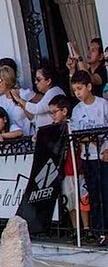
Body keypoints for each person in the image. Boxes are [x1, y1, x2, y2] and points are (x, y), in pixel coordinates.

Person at [69, 70, 108, 246]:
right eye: (75, 90)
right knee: (94, 194)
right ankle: (100, 230)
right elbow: (77, 134)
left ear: (89, 87)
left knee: (105, 192)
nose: (77, 93)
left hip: (104, 156)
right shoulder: (77, 111)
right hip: (88, 157)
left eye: (80, 88)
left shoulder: (102, 105)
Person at [50, 94, 89, 236]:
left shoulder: (73, 124)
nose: (52, 116)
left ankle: (86, 228)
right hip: (65, 171)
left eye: (55, 112)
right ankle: (75, 229)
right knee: (70, 201)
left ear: (64, 111)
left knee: (83, 200)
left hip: (78, 168)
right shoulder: (54, 129)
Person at [11, 64, 65, 128]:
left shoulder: (54, 91)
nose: (36, 82)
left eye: (38, 79)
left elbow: (37, 109)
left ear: (48, 81)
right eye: (35, 79)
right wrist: (23, 106)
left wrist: (19, 99)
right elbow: (33, 119)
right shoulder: (48, 93)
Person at [0, 66, 32, 134]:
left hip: (27, 138)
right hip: (10, 141)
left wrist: (20, 102)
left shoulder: (24, 93)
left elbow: (32, 117)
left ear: (7, 79)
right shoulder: (0, 101)